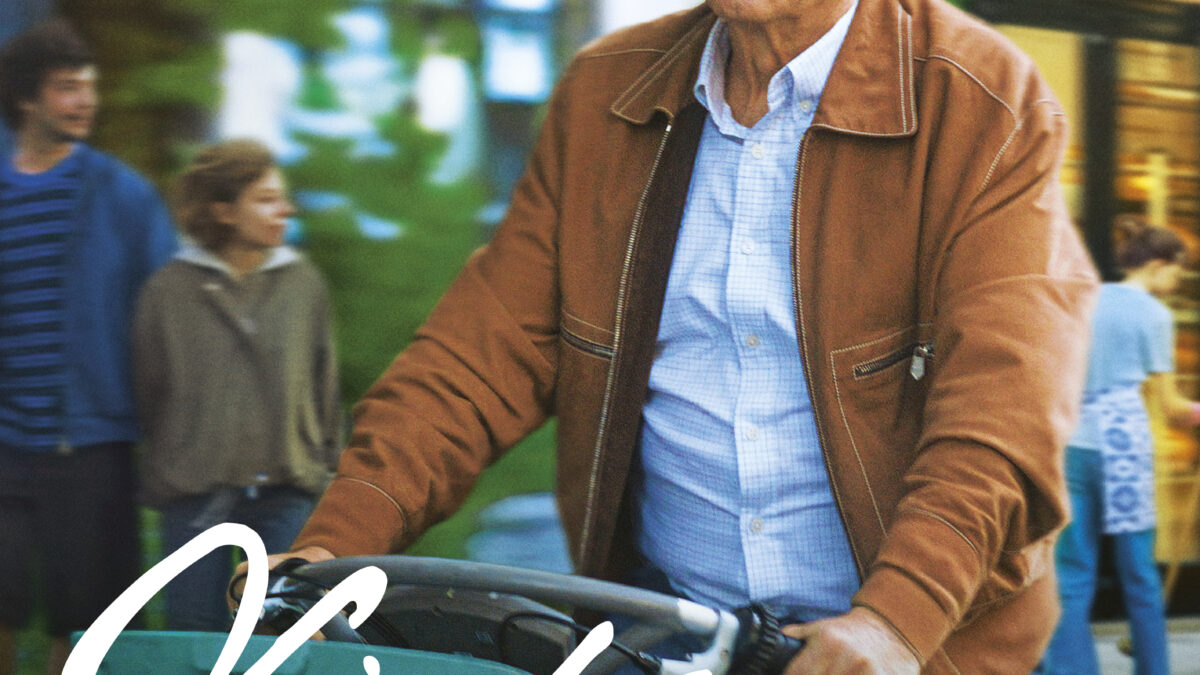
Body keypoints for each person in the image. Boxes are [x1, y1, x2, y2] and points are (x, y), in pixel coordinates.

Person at [236, 0, 1098, 671]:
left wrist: (894, 618)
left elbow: (1005, 413)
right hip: (666, 630)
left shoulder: (985, 99)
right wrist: (335, 542)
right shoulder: (603, 92)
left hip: (910, 646)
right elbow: (475, 358)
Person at [0, 19, 176, 675]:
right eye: (68, 87)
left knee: (88, 622)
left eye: (90, 87)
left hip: (91, 443)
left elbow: (166, 318)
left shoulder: (122, 196)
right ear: (26, 98)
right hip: (4, 440)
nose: (86, 102)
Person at [131, 139, 342, 632]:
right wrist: (181, 458)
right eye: (266, 199)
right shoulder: (168, 291)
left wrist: (322, 469)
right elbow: (149, 391)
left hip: (288, 490)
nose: (284, 210)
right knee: (193, 634)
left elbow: (323, 386)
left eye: (282, 198)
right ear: (223, 211)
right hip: (195, 494)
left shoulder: (303, 283)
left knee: (284, 632)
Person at [1042, 217, 1199, 675]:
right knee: (1139, 573)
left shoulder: (1088, 299)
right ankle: (1153, 668)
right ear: (1158, 264)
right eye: (1178, 271)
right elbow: (1170, 406)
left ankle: (1072, 669)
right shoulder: (1155, 315)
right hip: (1124, 448)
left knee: (1072, 572)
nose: (1178, 282)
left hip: (1075, 441)